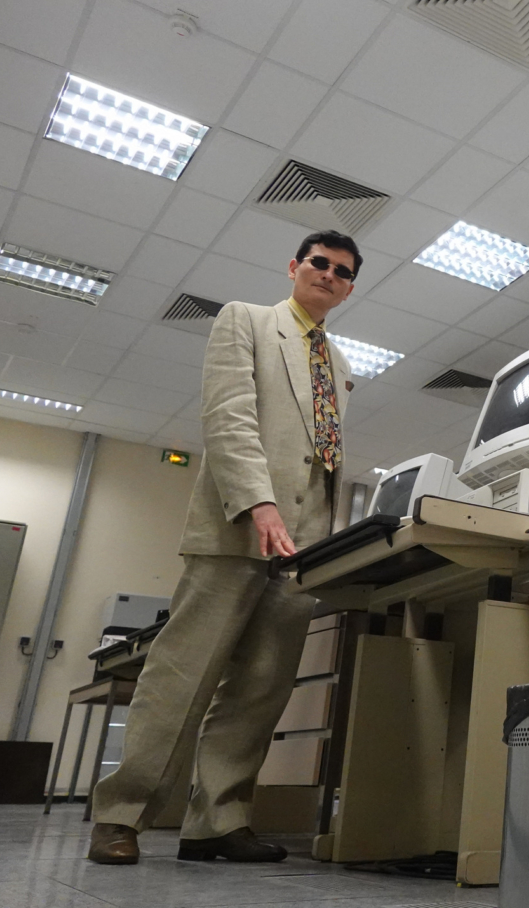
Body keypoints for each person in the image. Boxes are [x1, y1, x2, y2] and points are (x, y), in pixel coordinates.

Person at [87, 230, 362, 864]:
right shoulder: (247, 321)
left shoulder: (340, 365)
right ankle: (121, 815)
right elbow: (228, 415)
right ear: (294, 267)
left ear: (349, 289)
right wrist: (258, 502)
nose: (328, 274)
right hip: (237, 528)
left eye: (342, 271)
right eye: (319, 263)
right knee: (181, 676)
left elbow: (321, 456)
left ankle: (217, 821)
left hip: (302, 549)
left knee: (261, 688)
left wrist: (323, 541)